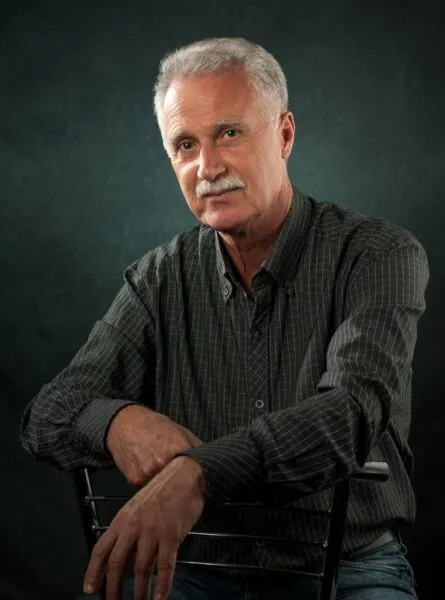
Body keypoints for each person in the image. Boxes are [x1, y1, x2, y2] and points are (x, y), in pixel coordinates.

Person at [20, 37, 428, 600]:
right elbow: (46, 415)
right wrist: (116, 422)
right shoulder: (158, 279)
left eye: (229, 133)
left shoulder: (377, 255)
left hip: (349, 571)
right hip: (195, 574)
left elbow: (352, 412)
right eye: (185, 144)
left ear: (284, 135)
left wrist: (201, 471)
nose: (207, 167)